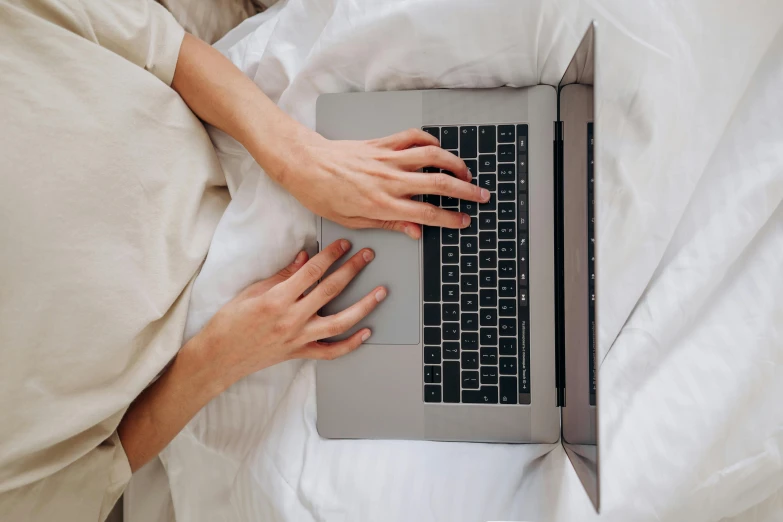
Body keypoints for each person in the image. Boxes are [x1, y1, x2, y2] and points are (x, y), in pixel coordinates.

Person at [0, 0, 491, 520]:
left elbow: (160, 46)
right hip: (219, 352)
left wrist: (299, 158)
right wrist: (225, 352)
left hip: (244, 126)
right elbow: (101, 473)